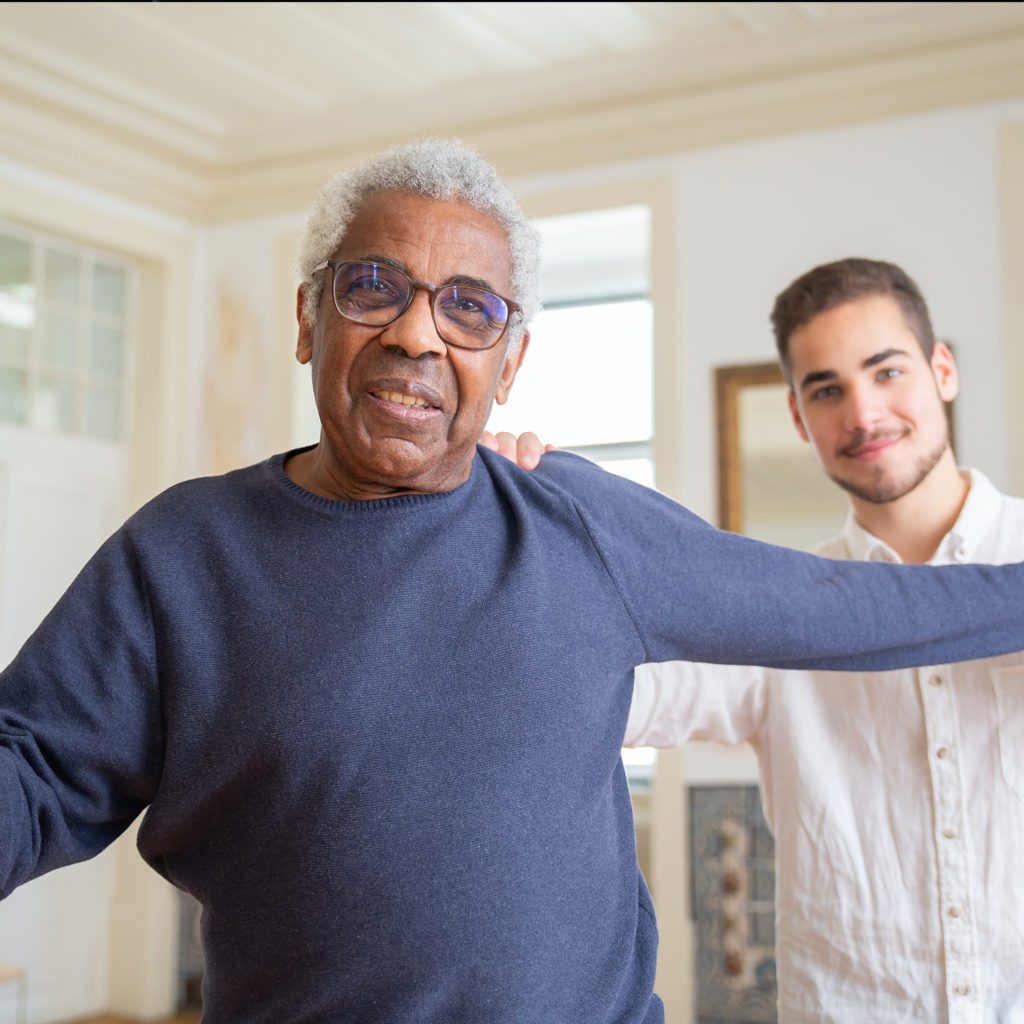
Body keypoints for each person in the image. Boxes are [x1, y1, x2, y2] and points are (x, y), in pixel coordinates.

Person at [2, 147, 1024, 1024]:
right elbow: (35, 770)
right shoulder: (183, 553)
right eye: (371, 287)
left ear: (511, 357)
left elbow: (844, 610)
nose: (415, 334)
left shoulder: (577, 524)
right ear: (310, 318)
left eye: (467, 308)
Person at [488, 257, 1024, 1023]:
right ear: (799, 419)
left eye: (887, 371)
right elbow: (594, 684)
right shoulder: (765, 615)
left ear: (942, 370)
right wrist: (514, 550)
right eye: (827, 389)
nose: (863, 414)